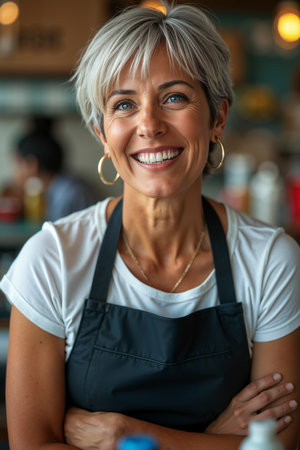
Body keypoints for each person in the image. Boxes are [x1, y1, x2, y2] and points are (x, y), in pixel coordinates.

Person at [1, 2, 299, 449]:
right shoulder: (52, 260)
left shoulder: (269, 260)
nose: (149, 125)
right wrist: (216, 440)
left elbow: (281, 441)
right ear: (103, 133)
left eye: (174, 97)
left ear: (218, 116)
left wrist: (128, 434)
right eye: (124, 104)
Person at [12, 116, 98, 221]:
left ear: (32, 165)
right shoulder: (59, 188)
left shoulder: (67, 195)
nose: (15, 171)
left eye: (17, 164)